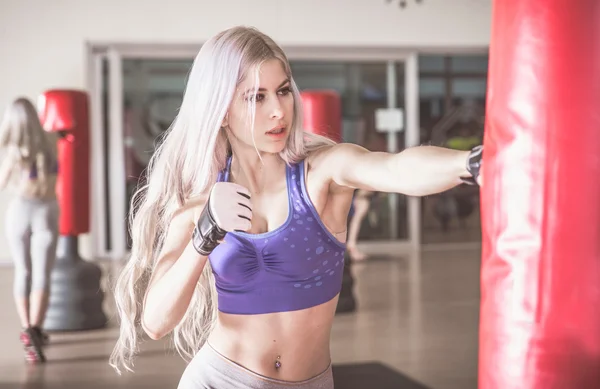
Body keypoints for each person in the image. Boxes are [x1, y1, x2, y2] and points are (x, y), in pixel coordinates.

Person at [109, 26, 483, 388]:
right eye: (257, 97)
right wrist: (205, 233)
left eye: (283, 91)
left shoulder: (323, 174)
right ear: (221, 111)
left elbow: (397, 168)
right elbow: (156, 322)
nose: (278, 111)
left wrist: (470, 164)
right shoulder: (200, 202)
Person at [0, 97, 59, 364]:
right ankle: (36, 328)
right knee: (43, 273)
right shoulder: (52, 140)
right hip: (46, 209)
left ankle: (27, 330)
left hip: (21, 210)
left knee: (23, 270)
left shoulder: (13, 149)